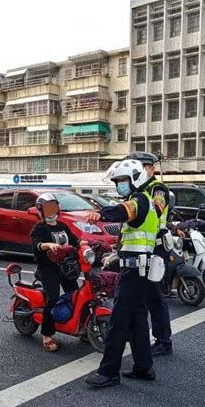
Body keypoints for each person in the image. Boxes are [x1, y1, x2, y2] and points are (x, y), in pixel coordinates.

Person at [84, 159, 159, 388]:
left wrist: (102, 213)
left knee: (118, 321)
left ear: (135, 178)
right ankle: (144, 367)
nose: (119, 186)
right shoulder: (142, 200)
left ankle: (109, 372)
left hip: (136, 269)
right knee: (137, 319)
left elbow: (125, 211)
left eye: (122, 181)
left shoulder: (139, 200)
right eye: (117, 182)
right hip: (139, 267)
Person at [30, 193, 86, 352]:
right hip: (47, 267)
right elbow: (36, 245)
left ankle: (81, 328)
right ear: (40, 210)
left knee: (76, 295)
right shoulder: (39, 228)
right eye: (46, 208)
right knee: (53, 297)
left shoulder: (63, 226)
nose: (50, 211)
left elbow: (75, 240)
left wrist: (85, 243)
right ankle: (47, 334)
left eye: (53, 207)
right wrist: (46, 245)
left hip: (66, 266)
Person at [129, 152, 173, 356]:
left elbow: (155, 209)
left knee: (155, 295)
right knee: (140, 295)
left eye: (140, 167)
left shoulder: (157, 189)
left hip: (156, 248)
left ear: (151, 169)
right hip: (141, 249)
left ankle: (163, 341)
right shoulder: (136, 190)